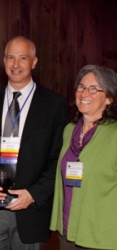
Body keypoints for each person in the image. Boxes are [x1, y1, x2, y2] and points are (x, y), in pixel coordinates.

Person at [0, 36, 68, 250]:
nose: (15, 65)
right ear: (4, 61)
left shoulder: (54, 105)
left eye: (22, 58)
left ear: (34, 62)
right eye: (10, 58)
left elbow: (58, 159)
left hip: (30, 211)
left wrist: (33, 195)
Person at [50, 65, 117, 249]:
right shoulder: (69, 130)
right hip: (68, 233)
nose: (84, 93)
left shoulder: (114, 135)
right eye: (81, 87)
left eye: (94, 88)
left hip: (102, 237)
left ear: (109, 98)